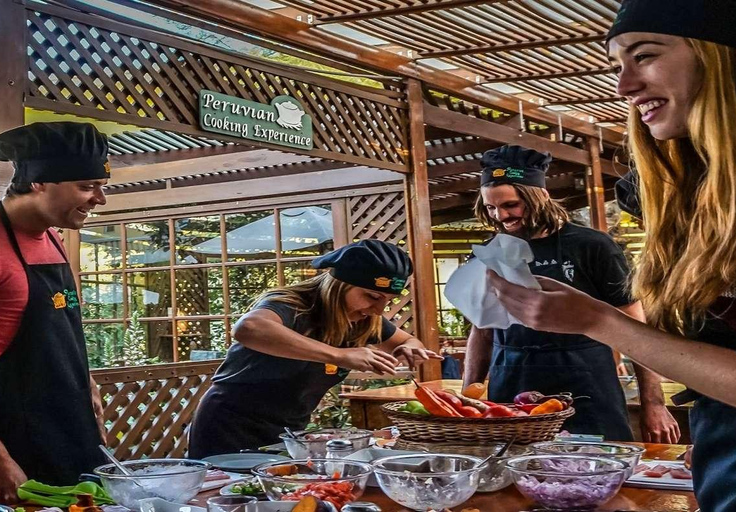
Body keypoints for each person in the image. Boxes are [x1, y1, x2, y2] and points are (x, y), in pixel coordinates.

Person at [486, 1, 736, 509]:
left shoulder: (592, 245)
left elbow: (630, 318)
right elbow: (483, 326)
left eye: (644, 56)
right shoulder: (699, 202)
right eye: (617, 65)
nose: (624, 86)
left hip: (590, 390)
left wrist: (597, 326)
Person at [464, 144, 679, 442]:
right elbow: (482, 331)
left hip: (586, 378)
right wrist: (465, 399)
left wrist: (653, 404)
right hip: (511, 380)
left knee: (599, 467)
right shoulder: (486, 255)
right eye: (490, 208)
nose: (501, 216)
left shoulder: (593, 246)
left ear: (538, 196)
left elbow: (637, 327)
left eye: (510, 205)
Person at [189, 240, 442, 457]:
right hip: (229, 424)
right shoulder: (291, 305)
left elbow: (409, 340)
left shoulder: (363, 320)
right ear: (340, 285)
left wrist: (409, 348)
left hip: (291, 431)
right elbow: (249, 328)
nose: (378, 310)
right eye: (372, 297)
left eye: (387, 301)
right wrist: (339, 355)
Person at [0, 122, 110, 503]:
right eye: (86, 186)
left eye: (101, 185)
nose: (100, 198)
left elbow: (65, 328)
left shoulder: (53, 235)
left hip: (69, 430)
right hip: (7, 439)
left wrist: (88, 386)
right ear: (39, 182)